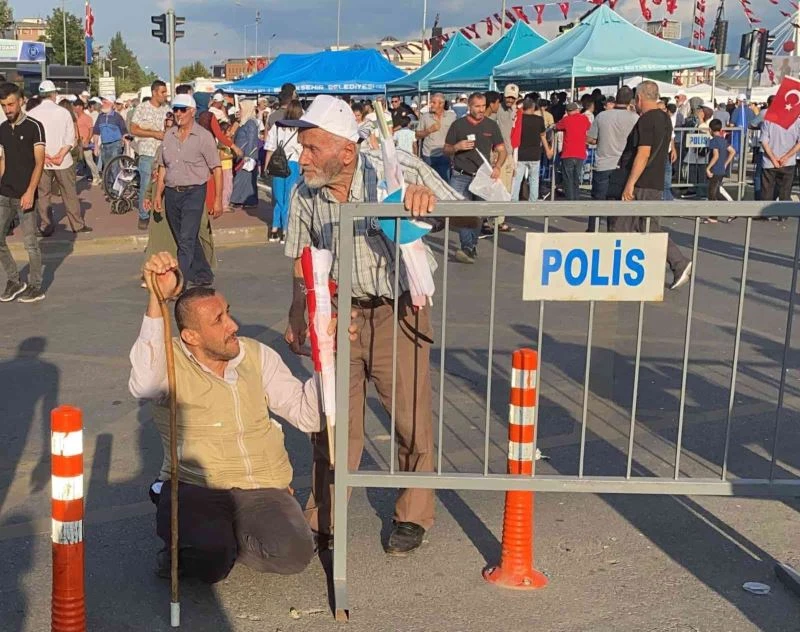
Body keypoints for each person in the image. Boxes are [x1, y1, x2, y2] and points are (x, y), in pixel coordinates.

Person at [279, 94, 458, 555]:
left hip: (397, 311)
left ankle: (413, 514)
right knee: (334, 421)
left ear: (346, 152)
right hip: (339, 316)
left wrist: (428, 204)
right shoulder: (305, 193)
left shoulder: (395, 171)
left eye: (312, 148)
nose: (302, 157)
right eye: (302, 147)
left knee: (410, 418)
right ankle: (324, 516)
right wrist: (299, 314)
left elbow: (472, 213)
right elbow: (301, 258)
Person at [129, 252, 319, 583]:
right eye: (218, 320)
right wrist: (157, 299)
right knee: (211, 560)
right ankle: (192, 545)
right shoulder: (169, 360)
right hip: (198, 487)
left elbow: (308, 417)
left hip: (262, 487)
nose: (233, 325)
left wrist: (327, 358)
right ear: (192, 337)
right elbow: (143, 384)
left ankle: (228, 538)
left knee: (295, 554)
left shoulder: (256, 355)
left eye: (227, 312)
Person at [615, 80, 692, 291]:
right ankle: (676, 262)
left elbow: (643, 153)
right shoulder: (665, 118)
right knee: (646, 225)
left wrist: (630, 184)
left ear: (639, 98)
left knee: (623, 226)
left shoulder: (646, 119)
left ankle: (621, 274)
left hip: (642, 181)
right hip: (654, 181)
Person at [155, 94, 222, 288]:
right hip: (172, 192)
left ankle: (179, 283)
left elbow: (216, 168)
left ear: (192, 111)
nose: (178, 113)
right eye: (175, 109)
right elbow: (163, 166)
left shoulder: (203, 137)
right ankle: (203, 273)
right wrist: (158, 194)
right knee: (183, 236)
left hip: (194, 192)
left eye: (182, 109)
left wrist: (218, 199)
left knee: (186, 238)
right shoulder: (169, 135)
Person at [443, 92, 506, 264]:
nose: (481, 109)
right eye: (477, 106)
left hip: (482, 177)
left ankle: (471, 245)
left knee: (478, 214)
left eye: (483, 106)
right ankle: (467, 247)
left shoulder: (491, 125)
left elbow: (502, 150)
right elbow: (446, 149)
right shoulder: (458, 125)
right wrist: (457, 147)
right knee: (463, 213)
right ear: (469, 107)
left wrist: (498, 166)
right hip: (460, 175)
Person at [0, 82, 46, 303]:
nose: (7, 109)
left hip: (25, 195)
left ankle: (36, 286)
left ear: (20, 102)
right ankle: (14, 280)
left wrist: (30, 192)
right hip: (4, 193)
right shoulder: (2, 128)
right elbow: (3, 160)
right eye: (3, 105)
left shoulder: (34, 126)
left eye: (10, 104)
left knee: (30, 244)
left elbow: (40, 162)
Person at [32, 80, 90, 236]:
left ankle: (46, 225)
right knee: (69, 193)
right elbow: (70, 138)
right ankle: (77, 225)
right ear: (53, 94)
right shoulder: (63, 112)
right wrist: (60, 154)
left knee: (43, 194)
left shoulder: (32, 114)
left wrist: (45, 155)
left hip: (41, 160)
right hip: (63, 160)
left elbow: (32, 140)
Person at [586, 86, 638, 229]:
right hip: (623, 166)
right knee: (618, 202)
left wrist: (602, 139)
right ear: (631, 100)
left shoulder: (602, 116)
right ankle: (613, 231)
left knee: (597, 201)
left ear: (616, 98)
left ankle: (593, 230)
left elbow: (590, 139)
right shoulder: (635, 118)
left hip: (603, 164)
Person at [131, 80, 169, 231]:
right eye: (163, 92)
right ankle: (144, 215)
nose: (165, 95)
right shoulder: (142, 108)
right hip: (147, 152)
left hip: (164, 153)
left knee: (163, 183)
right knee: (147, 185)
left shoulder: (167, 109)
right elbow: (133, 129)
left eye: (166, 92)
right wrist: (154, 134)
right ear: (154, 92)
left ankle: (160, 213)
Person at [265, 99, 302, 244]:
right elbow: (301, 150)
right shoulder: (300, 128)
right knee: (289, 198)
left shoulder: (277, 126)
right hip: (293, 163)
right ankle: (285, 230)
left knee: (279, 198)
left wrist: (266, 166)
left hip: (277, 164)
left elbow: (270, 148)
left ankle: (274, 229)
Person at [510, 97, 552, 203]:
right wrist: (548, 150)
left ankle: (514, 200)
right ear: (533, 107)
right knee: (534, 179)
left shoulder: (518, 119)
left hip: (520, 154)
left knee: (517, 179)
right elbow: (543, 135)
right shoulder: (539, 119)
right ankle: (533, 201)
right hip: (535, 153)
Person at [415, 93, 456, 183]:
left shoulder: (452, 116)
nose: (431, 104)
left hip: (445, 156)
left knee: (444, 184)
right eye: (431, 102)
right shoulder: (425, 116)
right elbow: (417, 135)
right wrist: (429, 130)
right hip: (428, 156)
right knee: (428, 184)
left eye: (433, 102)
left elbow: (456, 135)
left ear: (441, 104)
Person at [760, 115, 800, 204]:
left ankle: (766, 211)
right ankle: (783, 212)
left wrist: (773, 158)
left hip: (769, 162)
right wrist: (786, 157)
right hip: (788, 162)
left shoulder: (768, 120)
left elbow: (764, 142)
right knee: (785, 193)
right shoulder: (796, 121)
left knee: (766, 193)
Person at [556, 102, 591, 201]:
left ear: (567, 111)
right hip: (580, 153)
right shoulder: (584, 118)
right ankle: (576, 199)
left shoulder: (566, 119)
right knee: (576, 177)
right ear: (577, 110)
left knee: (568, 179)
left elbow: (557, 126)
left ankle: (570, 200)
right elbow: (589, 126)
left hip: (568, 153)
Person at [704, 118, 736, 223]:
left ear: (710, 130)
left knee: (712, 193)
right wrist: (725, 164)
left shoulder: (713, 141)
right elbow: (732, 151)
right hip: (721, 169)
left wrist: (708, 168)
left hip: (715, 170)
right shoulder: (723, 140)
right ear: (720, 129)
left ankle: (714, 216)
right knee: (717, 192)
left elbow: (715, 156)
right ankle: (726, 211)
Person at [230, 100, 260, 209]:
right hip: (242, 154)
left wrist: (248, 155)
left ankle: (239, 200)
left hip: (246, 155)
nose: (239, 111)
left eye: (241, 109)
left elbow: (251, 141)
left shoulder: (251, 123)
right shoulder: (245, 122)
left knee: (244, 178)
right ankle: (243, 200)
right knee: (244, 178)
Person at [92, 94, 128, 186]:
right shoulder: (100, 117)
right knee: (107, 167)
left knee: (114, 166)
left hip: (115, 144)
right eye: (102, 102)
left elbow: (124, 131)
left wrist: (126, 144)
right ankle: (110, 187)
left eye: (105, 102)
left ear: (111, 104)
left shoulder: (117, 117)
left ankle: (116, 188)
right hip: (104, 146)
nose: (102, 104)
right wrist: (96, 146)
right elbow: (96, 132)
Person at [74, 99, 101, 186]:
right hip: (77, 142)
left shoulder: (87, 118)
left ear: (81, 107)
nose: (74, 108)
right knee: (78, 161)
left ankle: (96, 177)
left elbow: (91, 129)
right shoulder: (75, 118)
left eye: (76, 106)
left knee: (89, 160)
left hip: (85, 142)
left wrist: (88, 139)